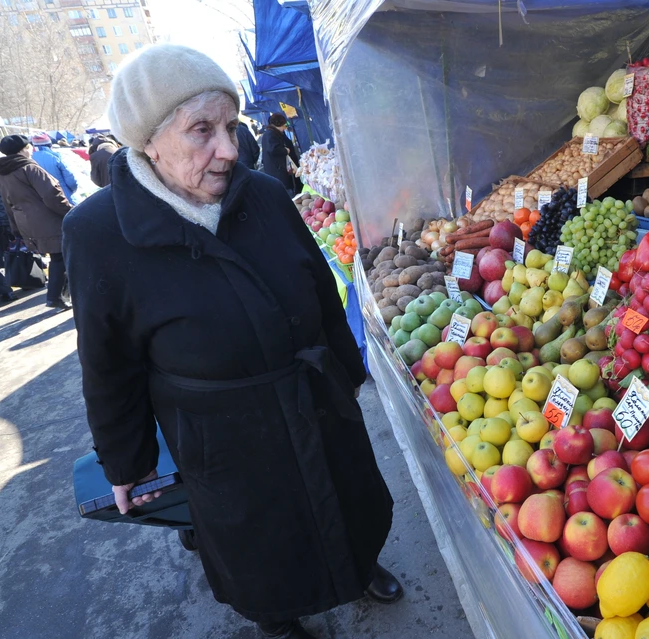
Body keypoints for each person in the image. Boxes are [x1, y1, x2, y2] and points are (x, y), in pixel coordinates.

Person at [62, 44, 399, 639]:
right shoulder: (98, 232)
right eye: (202, 131)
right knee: (259, 541)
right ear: (149, 141)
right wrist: (128, 462)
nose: (228, 149)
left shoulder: (265, 196)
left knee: (347, 500)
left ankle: (360, 565)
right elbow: (107, 362)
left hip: (313, 398)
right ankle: (278, 617)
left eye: (230, 126)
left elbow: (322, 293)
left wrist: (347, 376)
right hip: (222, 433)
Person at [0, 135, 73, 310]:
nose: (31, 150)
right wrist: (71, 212)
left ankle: (62, 293)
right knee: (61, 257)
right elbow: (52, 195)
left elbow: (7, 204)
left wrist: (15, 228)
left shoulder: (3, 174)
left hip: (27, 223)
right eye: (28, 147)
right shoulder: (29, 168)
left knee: (59, 257)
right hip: (49, 220)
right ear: (22, 150)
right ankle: (55, 296)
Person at [30, 132, 79, 204]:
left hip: (41, 201)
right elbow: (70, 180)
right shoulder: (55, 157)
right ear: (49, 144)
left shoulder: (28, 159)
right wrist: (71, 190)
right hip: (64, 196)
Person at [261, 113, 300, 196]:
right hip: (277, 171)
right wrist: (285, 150)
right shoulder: (270, 134)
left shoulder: (272, 133)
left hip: (277, 170)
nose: (285, 127)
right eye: (284, 124)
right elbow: (273, 149)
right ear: (279, 124)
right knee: (286, 192)